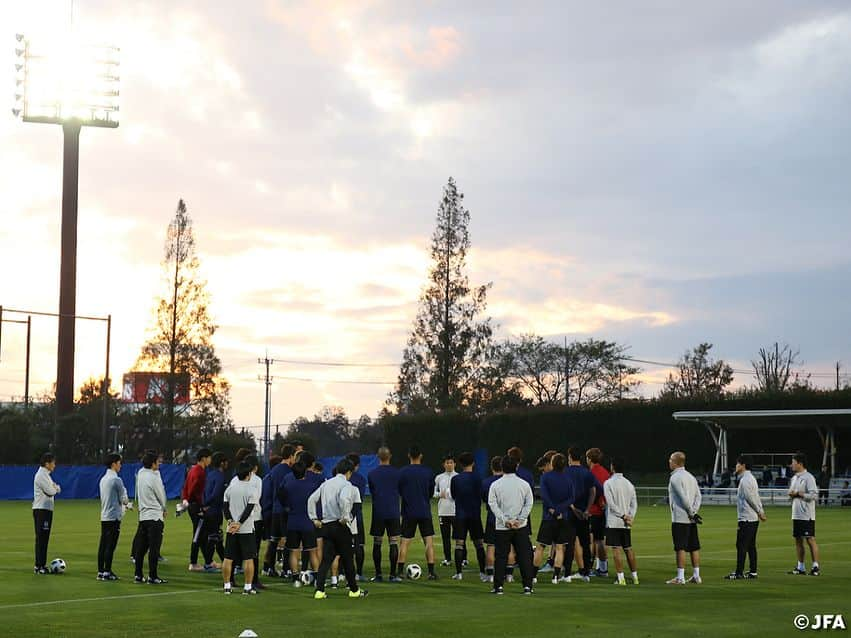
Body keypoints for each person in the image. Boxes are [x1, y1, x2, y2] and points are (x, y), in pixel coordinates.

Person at [308, 458, 369, 600]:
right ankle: (354, 590)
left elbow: (311, 499)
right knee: (348, 559)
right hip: (340, 525)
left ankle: (319, 591)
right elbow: (344, 500)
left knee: (326, 560)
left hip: (326, 525)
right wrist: (345, 517)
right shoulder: (347, 485)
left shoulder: (326, 484)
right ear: (349, 472)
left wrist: (314, 518)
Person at [488, 455, 535, 595]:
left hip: (503, 527)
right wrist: (520, 519)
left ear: (502, 468)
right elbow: (529, 503)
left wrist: (505, 520)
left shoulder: (496, 485)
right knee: (524, 556)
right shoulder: (524, 484)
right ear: (516, 467)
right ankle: (527, 586)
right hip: (520, 526)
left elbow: (492, 504)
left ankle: (498, 587)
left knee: (501, 556)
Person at [398, 446, 438, 580]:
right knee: (428, 542)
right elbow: (431, 492)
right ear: (421, 455)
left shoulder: (402, 472)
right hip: (424, 510)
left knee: (404, 542)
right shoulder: (428, 472)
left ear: (409, 455)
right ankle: (431, 572)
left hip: (409, 511)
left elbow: (399, 490)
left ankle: (399, 572)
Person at [725, 455, 766, 580]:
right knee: (751, 545)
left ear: (743, 465)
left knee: (741, 545)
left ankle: (739, 572)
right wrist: (760, 511)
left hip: (746, 518)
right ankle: (753, 571)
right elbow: (756, 497)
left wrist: (759, 511)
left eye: (737, 464)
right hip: (752, 518)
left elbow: (750, 497)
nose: (736, 466)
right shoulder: (751, 478)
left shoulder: (745, 480)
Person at [222, 461, 259, 595]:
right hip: (246, 529)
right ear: (249, 474)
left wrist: (232, 522)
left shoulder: (230, 488)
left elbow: (225, 507)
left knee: (228, 558)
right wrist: (240, 523)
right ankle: (247, 587)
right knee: (248, 559)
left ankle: (227, 586)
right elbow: (249, 509)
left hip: (231, 529)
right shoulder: (252, 489)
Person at [280, 462, 320, 585]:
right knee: (312, 551)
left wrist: (287, 507)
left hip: (292, 522)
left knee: (293, 551)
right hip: (307, 522)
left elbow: (281, 496)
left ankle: (296, 579)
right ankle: (317, 579)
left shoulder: (288, 484)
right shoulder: (311, 485)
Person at [450, 451, 487, 581]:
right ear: (473, 463)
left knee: (459, 544)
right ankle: (483, 573)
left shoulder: (455, 479)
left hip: (460, 515)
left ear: (460, 464)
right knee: (479, 545)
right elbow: (482, 495)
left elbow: (454, 496)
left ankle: (459, 573)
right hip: (474, 515)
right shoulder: (478, 478)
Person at [563, 447, 598, 582]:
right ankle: (586, 573)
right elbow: (593, 491)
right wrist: (587, 509)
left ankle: (567, 574)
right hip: (584, 513)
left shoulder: (565, 472)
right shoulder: (587, 472)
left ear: (570, 457)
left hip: (569, 513)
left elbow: (564, 492)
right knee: (585, 543)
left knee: (570, 543)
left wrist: (572, 507)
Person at [538, 453, 574, 583]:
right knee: (560, 548)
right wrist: (560, 510)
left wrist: (553, 509)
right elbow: (571, 498)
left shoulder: (545, 477)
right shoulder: (568, 479)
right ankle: (555, 577)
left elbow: (544, 495)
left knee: (541, 546)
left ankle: (533, 576)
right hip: (563, 517)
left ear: (552, 463)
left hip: (548, 517)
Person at [667, 451, 702, 585]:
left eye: (670, 460)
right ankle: (696, 576)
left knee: (680, 547)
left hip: (681, 517)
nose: (669, 462)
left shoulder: (675, 478)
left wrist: (691, 513)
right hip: (691, 518)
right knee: (694, 547)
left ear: (676, 462)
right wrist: (694, 512)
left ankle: (680, 577)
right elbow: (699, 496)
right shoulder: (691, 476)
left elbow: (683, 498)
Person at [367, 446, 402, 582]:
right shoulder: (397, 473)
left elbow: (373, 491)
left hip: (379, 511)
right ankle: (393, 575)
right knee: (393, 542)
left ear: (378, 457)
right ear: (390, 456)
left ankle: (378, 574)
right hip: (393, 511)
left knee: (377, 543)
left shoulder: (372, 474)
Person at [134, 451, 168, 584]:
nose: (159, 464)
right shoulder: (154, 477)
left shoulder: (141, 474)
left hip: (143, 516)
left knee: (141, 548)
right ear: (153, 463)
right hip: (155, 516)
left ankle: (138, 574)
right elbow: (161, 495)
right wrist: (164, 508)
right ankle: (153, 576)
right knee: (154, 548)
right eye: (157, 462)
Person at [604, 457, 638, 586]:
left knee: (616, 549)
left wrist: (623, 516)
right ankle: (635, 577)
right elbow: (634, 504)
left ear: (612, 467)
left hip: (614, 521)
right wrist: (630, 517)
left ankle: (621, 578)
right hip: (626, 523)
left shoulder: (608, 483)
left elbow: (611, 504)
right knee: (628, 549)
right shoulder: (629, 484)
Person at [787, 452, 821, 576]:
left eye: (793, 463)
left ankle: (815, 566)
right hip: (796, 514)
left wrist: (800, 494)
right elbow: (793, 493)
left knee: (810, 539)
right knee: (798, 540)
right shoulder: (794, 478)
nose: (791, 465)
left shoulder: (809, 477)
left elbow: (814, 495)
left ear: (800, 464)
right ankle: (800, 567)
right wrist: (791, 495)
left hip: (807, 514)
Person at [98, 453, 130, 581]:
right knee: (110, 546)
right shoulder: (116, 480)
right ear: (114, 464)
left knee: (103, 545)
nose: (120, 465)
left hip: (104, 516)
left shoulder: (103, 479)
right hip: (114, 517)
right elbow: (124, 499)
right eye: (119, 463)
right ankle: (107, 571)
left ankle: (101, 571)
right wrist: (126, 499)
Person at [183, 448, 212, 572]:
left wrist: (185, 500)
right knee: (198, 534)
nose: (210, 460)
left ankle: (208, 561)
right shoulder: (200, 472)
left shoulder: (192, 470)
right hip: (196, 506)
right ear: (204, 458)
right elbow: (195, 490)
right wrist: (200, 505)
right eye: (209, 457)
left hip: (191, 505)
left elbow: (185, 486)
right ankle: (193, 563)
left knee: (201, 534)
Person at [269, 444, 296, 576]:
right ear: (291, 456)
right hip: (285, 509)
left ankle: (269, 568)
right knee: (288, 540)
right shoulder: (289, 471)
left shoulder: (274, 470)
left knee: (273, 540)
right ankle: (286, 569)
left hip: (275, 509)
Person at [32, 452, 61, 575]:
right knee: (42, 539)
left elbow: (54, 489)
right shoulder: (41, 475)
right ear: (46, 463)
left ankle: (41, 565)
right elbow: (51, 491)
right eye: (53, 462)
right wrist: (55, 488)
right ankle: (39, 566)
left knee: (44, 538)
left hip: (46, 510)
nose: (54, 465)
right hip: (41, 510)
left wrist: (55, 488)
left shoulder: (46, 475)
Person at [586, 447, 611, 577]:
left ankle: (588, 568)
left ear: (589, 459)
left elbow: (593, 491)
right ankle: (603, 568)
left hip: (593, 510)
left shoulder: (591, 473)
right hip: (603, 510)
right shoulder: (605, 472)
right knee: (600, 540)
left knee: (590, 540)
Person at [202, 452, 228, 571]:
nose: (227, 463)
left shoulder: (210, 474)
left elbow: (204, 491)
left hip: (208, 511)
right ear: (222, 463)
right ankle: (208, 563)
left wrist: (204, 504)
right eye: (226, 461)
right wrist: (208, 504)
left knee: (216, 538)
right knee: (214, 538)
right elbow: (216, 494)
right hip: (215, 511)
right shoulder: (220, 476)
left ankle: (225, 561)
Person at [434, 454, 460, 567]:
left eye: (451, 462)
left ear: (455, 464)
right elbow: (433, 493)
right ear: (444, 464)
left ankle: (463, 559)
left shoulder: (459, 477)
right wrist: (440, 494)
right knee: (445, 537)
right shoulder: (439, 477)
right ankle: (447, 559)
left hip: (456, 511)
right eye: (447, 462)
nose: (449, 464)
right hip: (443, 511)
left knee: (459, 536)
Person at [345, 453, 368, 580]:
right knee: (359, 545)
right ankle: (359, 573)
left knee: (343, 545)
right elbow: (360, 499)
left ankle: (342, 573)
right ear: (357, 466)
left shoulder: (341, 478)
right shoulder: (360, 479)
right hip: (356, 516)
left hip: (341, 516)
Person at [481, 456, 504, 582]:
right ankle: (509, 575)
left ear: (491, 468)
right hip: (506, 518)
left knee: (491, 546)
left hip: (492, 517)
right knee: (508, 546)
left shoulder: (486, 482)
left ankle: (490, 575)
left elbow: (485, 499)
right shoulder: (506, 481)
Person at [260, 455, 281, 576]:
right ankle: (269, 567)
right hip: (271, 513)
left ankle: (267, 567)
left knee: (272, 542)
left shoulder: (266, 478)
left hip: (266, 512)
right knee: (274, 541)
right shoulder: (272, 479)